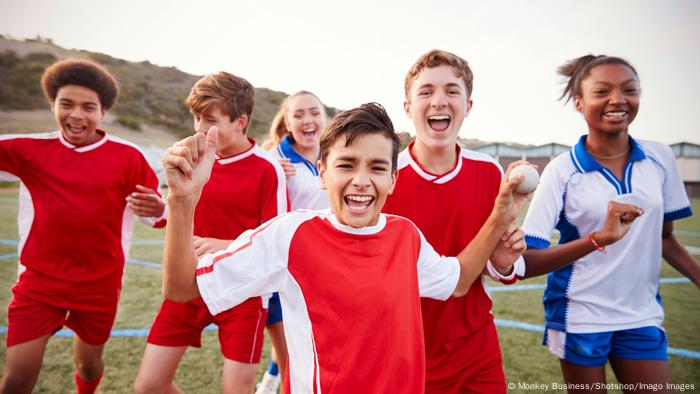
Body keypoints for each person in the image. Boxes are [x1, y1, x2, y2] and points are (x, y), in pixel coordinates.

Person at [160, 102, 529, 393]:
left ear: (393, 180)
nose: (361, 181)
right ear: (322, 172)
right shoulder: (289, 236)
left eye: (377, 168)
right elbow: (180, 288)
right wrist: (182, 201)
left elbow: (459, 281)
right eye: (347, 165)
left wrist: (500, 215)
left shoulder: (406, 237)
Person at [521, 55, 699, 393]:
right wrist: (599, 238)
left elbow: (664, 238)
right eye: (602, 91)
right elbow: (526, 261)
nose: (618, 99)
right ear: (579, 102)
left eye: (629, 90)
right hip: (578, 315)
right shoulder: (562, 171)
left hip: (641, 313)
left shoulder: (660, 159)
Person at [0, 59, 166, 394]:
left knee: (88, 367)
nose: (77, 115)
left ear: (102, 111)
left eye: (88, 107)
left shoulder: (129, 157)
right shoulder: (29, 149)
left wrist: (161, 207)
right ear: (52, 105)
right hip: (39, 283)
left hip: (99, 285)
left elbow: (158, 218)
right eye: (67, 104)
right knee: (17, 380)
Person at [383, 49, 527, 393]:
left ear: (468, 105)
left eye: (451, 91)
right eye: (426, 91)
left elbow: (495, 262)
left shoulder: (488, 170)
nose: (439, 101)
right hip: (406, 352)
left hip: (475, 350)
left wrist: (503, 263)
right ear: (407, 108)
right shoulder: (386, 177)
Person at [133, 72, 287, 394]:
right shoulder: (192, 155)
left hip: (244, 291)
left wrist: (226, 246)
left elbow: (278, 242)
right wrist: (161, 209)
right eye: (196, 117)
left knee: (237, 390)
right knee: (149, 386)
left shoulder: (266, 168)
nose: (199, 128)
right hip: (189, 282)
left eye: (209, 119)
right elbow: (182, 214)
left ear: (240, 121)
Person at [257, 91, 329, 393]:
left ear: (325, 118)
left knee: (316, 341)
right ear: (287, 122)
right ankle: (273, 382)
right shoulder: (274, 160)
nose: (307, 120)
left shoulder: (338, 153)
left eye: (314, 112)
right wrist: (274, 174)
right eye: (298, 115)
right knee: (292, 351)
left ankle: (271, 378)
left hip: (327, 263)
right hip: (287, 267)